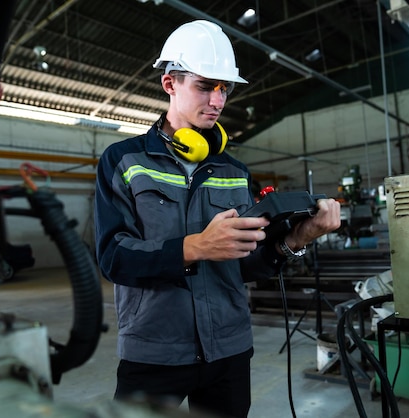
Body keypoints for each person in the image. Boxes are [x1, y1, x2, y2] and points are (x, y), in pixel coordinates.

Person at [94, 20, 341, 418]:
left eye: (224, 88)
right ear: (170, 83)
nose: (218, 100)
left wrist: (297, 239)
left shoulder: (234, 170)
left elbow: (245, 264)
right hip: (155, 351)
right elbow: (113, 258)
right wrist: (195, 247)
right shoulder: (124, 161)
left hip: (228, 349)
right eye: (205, 85)